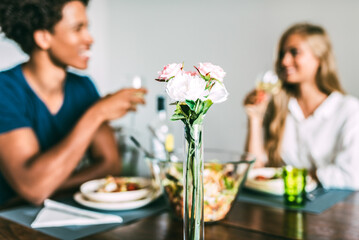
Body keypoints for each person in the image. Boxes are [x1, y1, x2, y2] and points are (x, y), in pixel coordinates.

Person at [0, 0, 147, 205]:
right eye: (78, 29)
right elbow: (34, 189)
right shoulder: (5, 89)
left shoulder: (83, 87)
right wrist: (96, 114)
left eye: (87, 28)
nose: (90, 39)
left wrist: (50, 184)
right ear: (43, 38)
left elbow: (111, 165)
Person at [244, 23, 359, 190]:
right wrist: (255, 118)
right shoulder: (279, 107)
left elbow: (353, 175)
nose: (284, 61)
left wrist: (294, 177)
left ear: (319, 57)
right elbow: (255, 171)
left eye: (294, 52)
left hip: (333, 209)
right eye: (282, 54)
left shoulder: (349, 110)